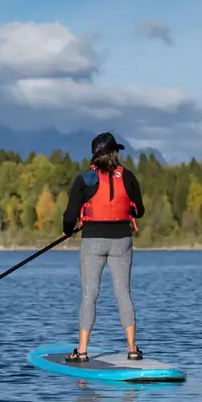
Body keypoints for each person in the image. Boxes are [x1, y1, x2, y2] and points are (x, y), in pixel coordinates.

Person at [61, 132, 146, 363]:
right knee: (123, 293)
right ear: (113, 153)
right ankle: (132, 349)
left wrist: (68, 230)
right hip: (122, 240)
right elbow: (139, 211)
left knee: (90, 294)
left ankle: (82, 351)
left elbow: (70, 216)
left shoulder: (85, 179)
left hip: (93, 241)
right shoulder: (127, 177)